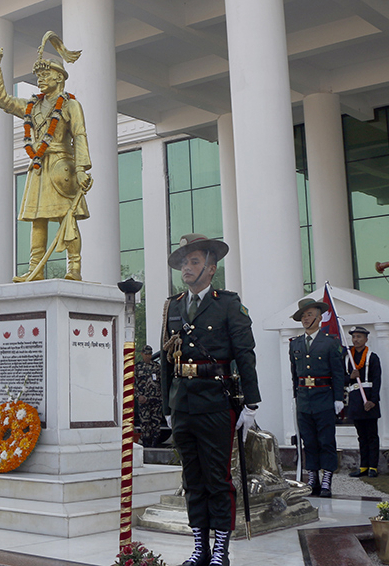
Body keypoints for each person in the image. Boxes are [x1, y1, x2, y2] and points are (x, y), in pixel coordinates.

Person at [160, 234, 259, 566]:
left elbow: (245, 354)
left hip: (216, 401)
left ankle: (220, 549)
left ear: (211, 268)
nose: (187, 268)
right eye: (184, 263)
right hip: (183, 402)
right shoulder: (173, 305)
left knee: (217, 478)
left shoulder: (228, 303)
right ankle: (199, 546)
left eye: (194, 262)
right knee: (191, 478)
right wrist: (166, 407)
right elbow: (165, 360)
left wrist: (251, 404)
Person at [0, 31, 92, 282]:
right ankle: (35, 269)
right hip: (38, 165)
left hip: (61, 165)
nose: (40, 80)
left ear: (59, 78)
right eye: (38, 76)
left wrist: (82, 169)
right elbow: (3, 100)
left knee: (65, 218)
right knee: (37, 219)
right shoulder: (31, 106)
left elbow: (79, 135)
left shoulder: (70, 105)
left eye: (46, 75)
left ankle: (74, 269)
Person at [289, 297, 345, 498]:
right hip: (304, 399)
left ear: (320, 317)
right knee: (309, 441)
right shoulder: (295, 344)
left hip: (324, 397)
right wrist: (296, 395)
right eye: (303, 315)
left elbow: (338, 373)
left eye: (310, 314)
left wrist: (338, 398)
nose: (306, 318)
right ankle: (312, 477)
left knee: (326, 440)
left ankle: (327, 478)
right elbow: (294, 373)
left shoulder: (330, 343)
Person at [346, 326, 382, 478]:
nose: (356, 340)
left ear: (366, 339)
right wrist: (351, 377)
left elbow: (377, 379)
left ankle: (373, 466)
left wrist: (373, 401)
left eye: (359, 337)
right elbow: (342, 379)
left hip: (369, 398)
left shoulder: (372, 357)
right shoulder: (348, 357)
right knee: (361, 435)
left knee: (372, 435)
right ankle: (363, 466)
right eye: (354, 337)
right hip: (355, 399)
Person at [135, 345, 163, 448]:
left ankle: (155, 445)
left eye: (150, 354)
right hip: (143, 401)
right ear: (142, 354)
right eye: (146, 354)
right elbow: (132, 384)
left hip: (156, 400)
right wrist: (138, 396)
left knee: (156, 424)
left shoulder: (157, 367)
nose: (148, 356)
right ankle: (146, 445)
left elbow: (162, 383)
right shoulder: (137, 367)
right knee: (145, 424)